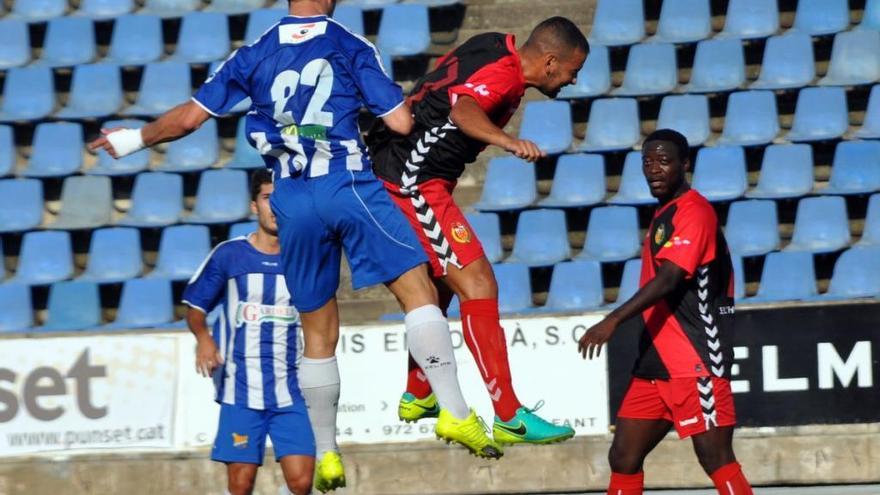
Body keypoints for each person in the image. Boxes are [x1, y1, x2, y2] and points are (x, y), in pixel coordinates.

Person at [88, 0, 502, 492]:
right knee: (419, 294)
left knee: (318, 331)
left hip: (291, 195)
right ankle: (455, 411)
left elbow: (187, 120)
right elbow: (399, 124)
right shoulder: (349, 43)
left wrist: (133, 139)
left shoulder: (252, 54)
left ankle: (327, 452)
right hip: (346, 183)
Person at [366, 16, 587, 445]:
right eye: (571, 71)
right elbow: (463, 107)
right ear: (550, 62)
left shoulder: (493, 44)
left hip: (410, 173)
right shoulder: (505, 79)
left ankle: (418, 391)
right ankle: (509, 414)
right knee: (479, 284)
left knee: (441, 284)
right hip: (411, 181)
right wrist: (507, 141)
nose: (573, 80)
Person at [577, 129, 753, 495]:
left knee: (715, 457)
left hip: (696, 357)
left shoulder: (695, 212)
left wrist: (612, 319)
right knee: (623, 456)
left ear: (685, 165)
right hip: (656, 360)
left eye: (664, 161)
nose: (654, 169)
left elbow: (671, 278)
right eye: (647, 161)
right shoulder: (665, 213)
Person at [182, 170, 314, 495]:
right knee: (241, 485)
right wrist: (204, 339)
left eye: (281, 199)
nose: (274, 207)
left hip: (293, 388)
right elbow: (195, 306)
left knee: (303, 483)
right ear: (254, 205)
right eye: (268, 198)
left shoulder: (306, 257)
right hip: (240, 389)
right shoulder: (230, 255)